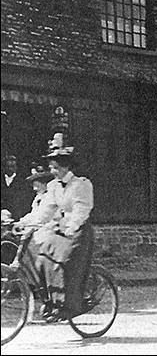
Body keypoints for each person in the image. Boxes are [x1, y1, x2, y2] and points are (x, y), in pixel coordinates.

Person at [35, 135, 95, 322]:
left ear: (66, 166)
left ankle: (70, 306)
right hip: (62, 230)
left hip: (78, 232)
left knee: (64, 260)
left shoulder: (81, 184)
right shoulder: (53, 187)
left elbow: (81, 209)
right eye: (51, 167)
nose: (52, 171)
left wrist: (71, 227)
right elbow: (45, 211)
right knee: (42, 256)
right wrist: (26, 222)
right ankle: (52, 303)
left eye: (56, 167)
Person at [13, 164, 56, 291]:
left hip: (52, 230)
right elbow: (33, 214)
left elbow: (43, 217)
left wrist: (30, 227)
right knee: (27, 251)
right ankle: (36, 283)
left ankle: (47, 283)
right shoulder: (38, 198)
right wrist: (20, 223)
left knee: (35, 247)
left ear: (45, 184)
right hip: (40, 228)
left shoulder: (50, 197)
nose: (34, 188)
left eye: (36, 185)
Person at [1, 155, 31, 222]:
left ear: (16, 167)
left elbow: (24, 200)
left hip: (17, 215)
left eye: (12, 166)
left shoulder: (23, 181)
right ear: (4, 167)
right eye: (8, 166)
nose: (10, 169)